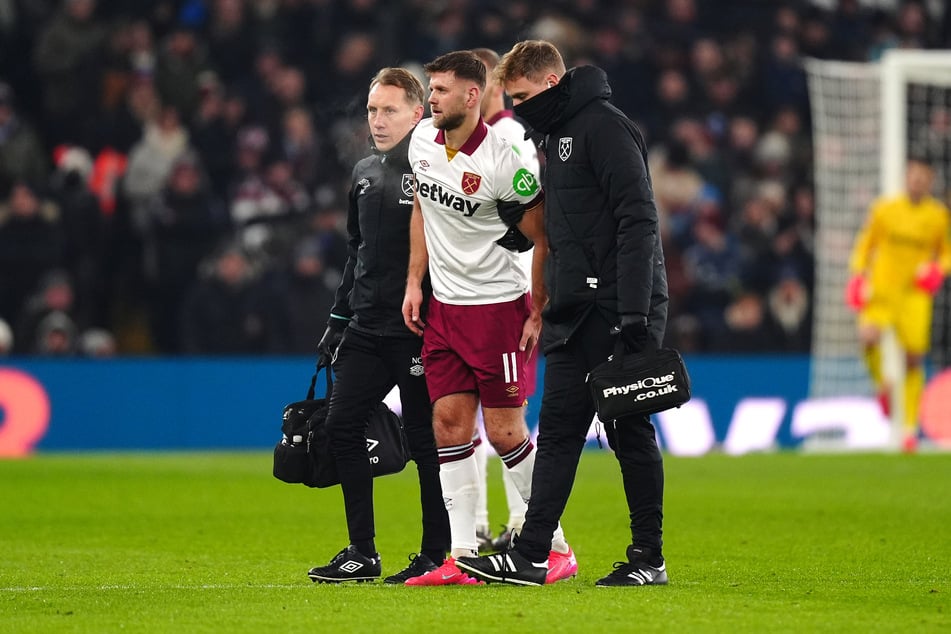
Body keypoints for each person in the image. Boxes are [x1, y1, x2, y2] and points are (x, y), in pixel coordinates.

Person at [456, 40, 671, 587]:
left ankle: (649, 558)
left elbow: (639, 220)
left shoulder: (604, 127)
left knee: (628, 430)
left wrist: (633, 315)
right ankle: (532, 554)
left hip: (618, 308)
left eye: (522, 97)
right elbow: (568, 228)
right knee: (557, 430)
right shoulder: (556, 134)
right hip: (574, 308)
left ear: (551, 84)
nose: (517, 108)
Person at [401, 50, 576, 586]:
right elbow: (421, 211)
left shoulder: (507, 159)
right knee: (448, 426)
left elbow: (542, 237)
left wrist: (538, 305)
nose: (431, 98)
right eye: (430, 88)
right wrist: (414, 280)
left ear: (472, 95)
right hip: (444, 310)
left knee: (504, 433)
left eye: (442, 89)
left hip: (500, 308)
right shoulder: (421, 143)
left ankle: (557, 548)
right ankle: (460, 558)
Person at [305, 67, 451, 584]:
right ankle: (361, 552)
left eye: (389, 110)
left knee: (425, 443)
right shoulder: (365, 172)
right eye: (371, 110)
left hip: (418, 327)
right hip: (366, 328)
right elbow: (356, 252)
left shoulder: (440, 170)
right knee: (341, 428)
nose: (377, 120)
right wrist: (338, 320)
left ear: (418, 113)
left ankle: (437, 552)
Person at [469, 46, 541, 553]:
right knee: (464, 416)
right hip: (473, 296)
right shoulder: (457, 144)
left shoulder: (510, 135)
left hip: (505, 294)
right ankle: (481, 524)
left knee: (501, 416)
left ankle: (521, 523)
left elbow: (531, 218)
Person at [844, 157, 950, 453]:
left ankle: (908, 430)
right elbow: (866, 244)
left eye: (923, 177)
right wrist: (856, 276)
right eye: (913, 175)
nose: (917, 181)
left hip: (914, 295)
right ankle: (883, 386)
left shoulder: (938, 216)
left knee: (913, 358)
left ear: (930, 181)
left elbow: (946, 253)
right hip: (882, 289)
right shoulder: (884, 210)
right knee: (867, 338)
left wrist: (937, 270)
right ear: (906, 177)